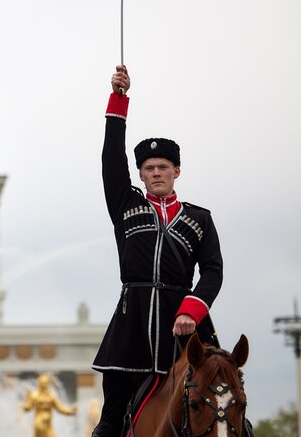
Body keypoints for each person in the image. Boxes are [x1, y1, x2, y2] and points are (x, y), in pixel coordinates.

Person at [90, 66, 223, 436]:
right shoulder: (125, 204)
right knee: (108, 423)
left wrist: (191, 311)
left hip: (185, 325)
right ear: (141, 174)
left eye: (163, 167)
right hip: (132, 325)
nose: (156, 173)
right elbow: (111, 160)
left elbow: (213, 271)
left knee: (227, 403)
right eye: (148, 169)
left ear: (177, 171)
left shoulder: (200, 219)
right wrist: (118, 99)